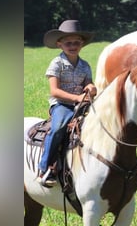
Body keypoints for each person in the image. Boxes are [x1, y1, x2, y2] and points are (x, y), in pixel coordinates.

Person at [38, 20, 97, 187]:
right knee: (58, 127)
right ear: (59, 44)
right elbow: (54, 91)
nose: (73, 45)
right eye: (68, 43)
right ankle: (45, 168)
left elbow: (88, 84)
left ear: (82, 44)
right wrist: (76, 98)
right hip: (62, 104)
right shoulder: (57, 63)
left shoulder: (85, 65)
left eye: (76, 42)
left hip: (82, 104)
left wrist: (91, 88)